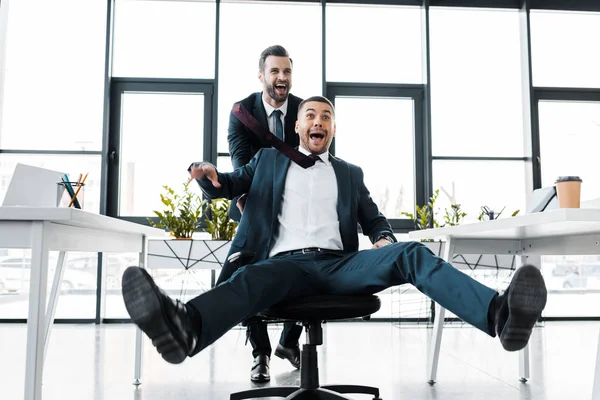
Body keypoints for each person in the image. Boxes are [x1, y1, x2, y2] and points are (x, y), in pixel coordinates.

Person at [121, 96, 548, 373]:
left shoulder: (348, 173)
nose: (318, 121)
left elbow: (373, 218)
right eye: (310, 115)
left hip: (340, 265)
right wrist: (209, 177)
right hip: (283, 266)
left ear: (333, 130)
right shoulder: (269, 161)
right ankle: (186, 327)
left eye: (327, 116)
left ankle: (499, 314)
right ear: (299, 128)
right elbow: (228, 185)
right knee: (250, 279)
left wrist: (382, 238)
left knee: (411, 253)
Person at [224, 45, 304, 382]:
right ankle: (261, 353)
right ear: (262, 76)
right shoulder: (242, 112)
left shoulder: (305, 109)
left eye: (286, 71)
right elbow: (241, 163)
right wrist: (247, 202)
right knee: (247, 271)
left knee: (305, 268)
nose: (281, 77)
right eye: (275, 71)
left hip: (300, 206)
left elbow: (320, 156)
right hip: (253, 202)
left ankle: (289, 341)